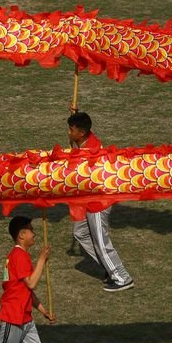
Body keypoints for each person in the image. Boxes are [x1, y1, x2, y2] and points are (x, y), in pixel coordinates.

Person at [67, 112, 133, 292]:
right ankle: (108, 267)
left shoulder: (89, 153)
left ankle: (122, 277)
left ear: (81, 133)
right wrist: (76, 115)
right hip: (88, 200)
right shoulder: (87, 139)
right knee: (80, 233)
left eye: (71, 130)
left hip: (97, 203)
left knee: (101, 242)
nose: (68, 133)